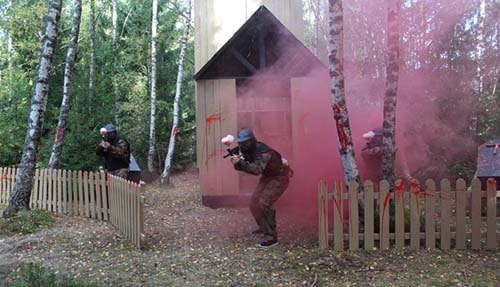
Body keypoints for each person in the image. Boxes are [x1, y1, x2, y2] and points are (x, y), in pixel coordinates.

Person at [229, 128, 292, 248]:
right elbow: (247, 164)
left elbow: (256, 170)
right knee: (254, 203)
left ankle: (271, 237)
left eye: (246, 142)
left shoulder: (263, 153)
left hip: (280, 177)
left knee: (264, 202)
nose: (244, 145)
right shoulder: (250, 150)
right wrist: (238, 162)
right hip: (268, 177)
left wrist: (240, 163)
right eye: (241, 143)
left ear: (252, 140)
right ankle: (263, 227)